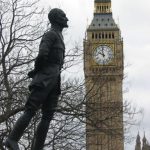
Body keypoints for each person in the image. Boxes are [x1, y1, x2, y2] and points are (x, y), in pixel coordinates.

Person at [4, 8, 68, 150]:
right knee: (31, 109)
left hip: (55, 78)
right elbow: (42, 55)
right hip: (45, 77)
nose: (66, 19)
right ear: (56, 18)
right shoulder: (50, 35)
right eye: (63, 16)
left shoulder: (59, 36)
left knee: (48, 115)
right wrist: (38, 72)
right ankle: (12, 139)